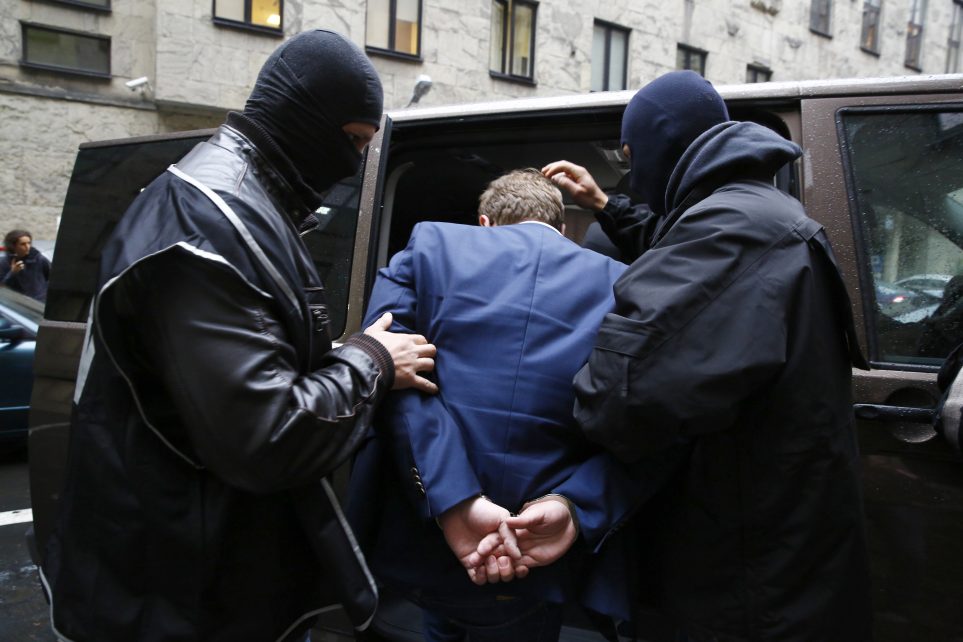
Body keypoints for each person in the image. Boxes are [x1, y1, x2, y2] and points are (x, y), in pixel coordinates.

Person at [40, 30, 437, 642]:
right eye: (356, 141)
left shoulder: (240, 204)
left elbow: (239, 367)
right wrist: (371, 359)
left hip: (198, 582)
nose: (357, 163)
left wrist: (337, 357)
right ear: (307, 120)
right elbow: (266, 435)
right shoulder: (204, 226)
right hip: (170, 600)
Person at [543, 71, 873, 641]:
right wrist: (605, 206)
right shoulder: (753, 214)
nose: (631, 172)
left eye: (631, 155)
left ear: (661, 143)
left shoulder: (730, 235)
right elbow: (679, 246)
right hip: (776, 562)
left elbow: (619, 399)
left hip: (744, 587)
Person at [348, 169, 654, 641]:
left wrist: (456, 501)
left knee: (437, 627)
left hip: (429, 532)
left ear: (485, 223)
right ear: (562, 228)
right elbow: (642, 414)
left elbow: (390, 376)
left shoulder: (430, 246)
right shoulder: (622, 283)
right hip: (538, 548)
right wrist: (575, 504)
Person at [1, 229, 51, 301]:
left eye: (29, 243)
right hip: (18, 303)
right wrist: (13, 272)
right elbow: (2, 288)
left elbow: (51, 278)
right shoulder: (4, 263)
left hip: (40, 302)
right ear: (13, 246)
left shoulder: (39, 259)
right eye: (23, 244)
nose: (27, 247)